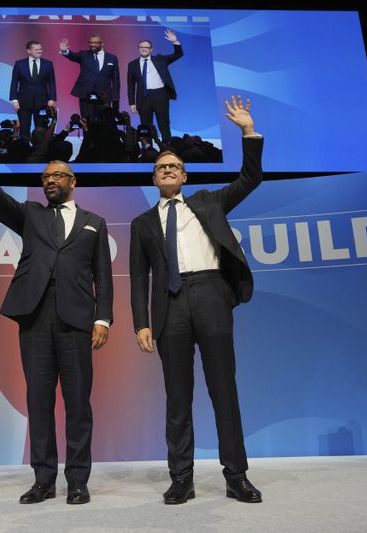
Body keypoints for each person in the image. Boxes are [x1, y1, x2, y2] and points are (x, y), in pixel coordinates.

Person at [0, 123, 113, 505]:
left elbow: (104, 278)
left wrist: (103, 318)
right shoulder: (31, 215)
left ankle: (77, 480)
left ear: (72, 181)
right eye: (45, 176)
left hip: (77, 320)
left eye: (57, 175)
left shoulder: (94, 222)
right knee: (39, 402)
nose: (49, 181)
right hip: (35, 319)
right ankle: (44, 479)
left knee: (78, 404)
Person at [129, 95, 264, 505]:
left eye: (173, 167)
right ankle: (181, 478)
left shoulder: (208, 201)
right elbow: (138, 277)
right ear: (154, 179)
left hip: (210, 293)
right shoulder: (142, 223)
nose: (166, 171)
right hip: (169, 305)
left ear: (184, 176)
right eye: (159, 168)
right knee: (177, 396)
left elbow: (250, 178)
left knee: (224, 388)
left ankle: (236, 475)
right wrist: (141, 322)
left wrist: (247, 132)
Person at [127, 29, 183, 144]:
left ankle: (167, 148)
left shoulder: (160, 59)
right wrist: (132, 103)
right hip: (143, 97)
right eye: (141, 47)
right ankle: (148, 149)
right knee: (145, 126)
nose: (143, 49)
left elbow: (178, 54)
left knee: (164, 123)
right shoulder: (132, 64)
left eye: (146, 47)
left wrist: (175, 42)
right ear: (138, 49)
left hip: (160, 96)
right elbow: (131, 85)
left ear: (151, 49)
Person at [59, 34, 120, 123]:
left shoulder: (112, 58)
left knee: (104, 123)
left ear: (102, 44)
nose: (92, 45)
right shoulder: (84, 54)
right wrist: (64, 51)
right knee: (87, 122)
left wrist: (116, 97)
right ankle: (87, 137)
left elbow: (116, 79)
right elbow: (73, 56)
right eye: (90, 42)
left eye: (95, 42)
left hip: (104, 96)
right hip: (86, 95)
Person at [10, 40, 57, 141]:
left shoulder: (48, 64)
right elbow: (14, 82)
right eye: (36, 49)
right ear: (29, 51)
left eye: (40, 49)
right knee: (24, 129)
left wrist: (52, 98)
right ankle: (25, 151)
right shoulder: (19, 64)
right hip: (23, 102)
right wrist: (14, 100)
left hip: (42, 102)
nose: (39, 51)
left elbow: (52, 82)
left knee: (41, 130)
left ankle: (40, 152)